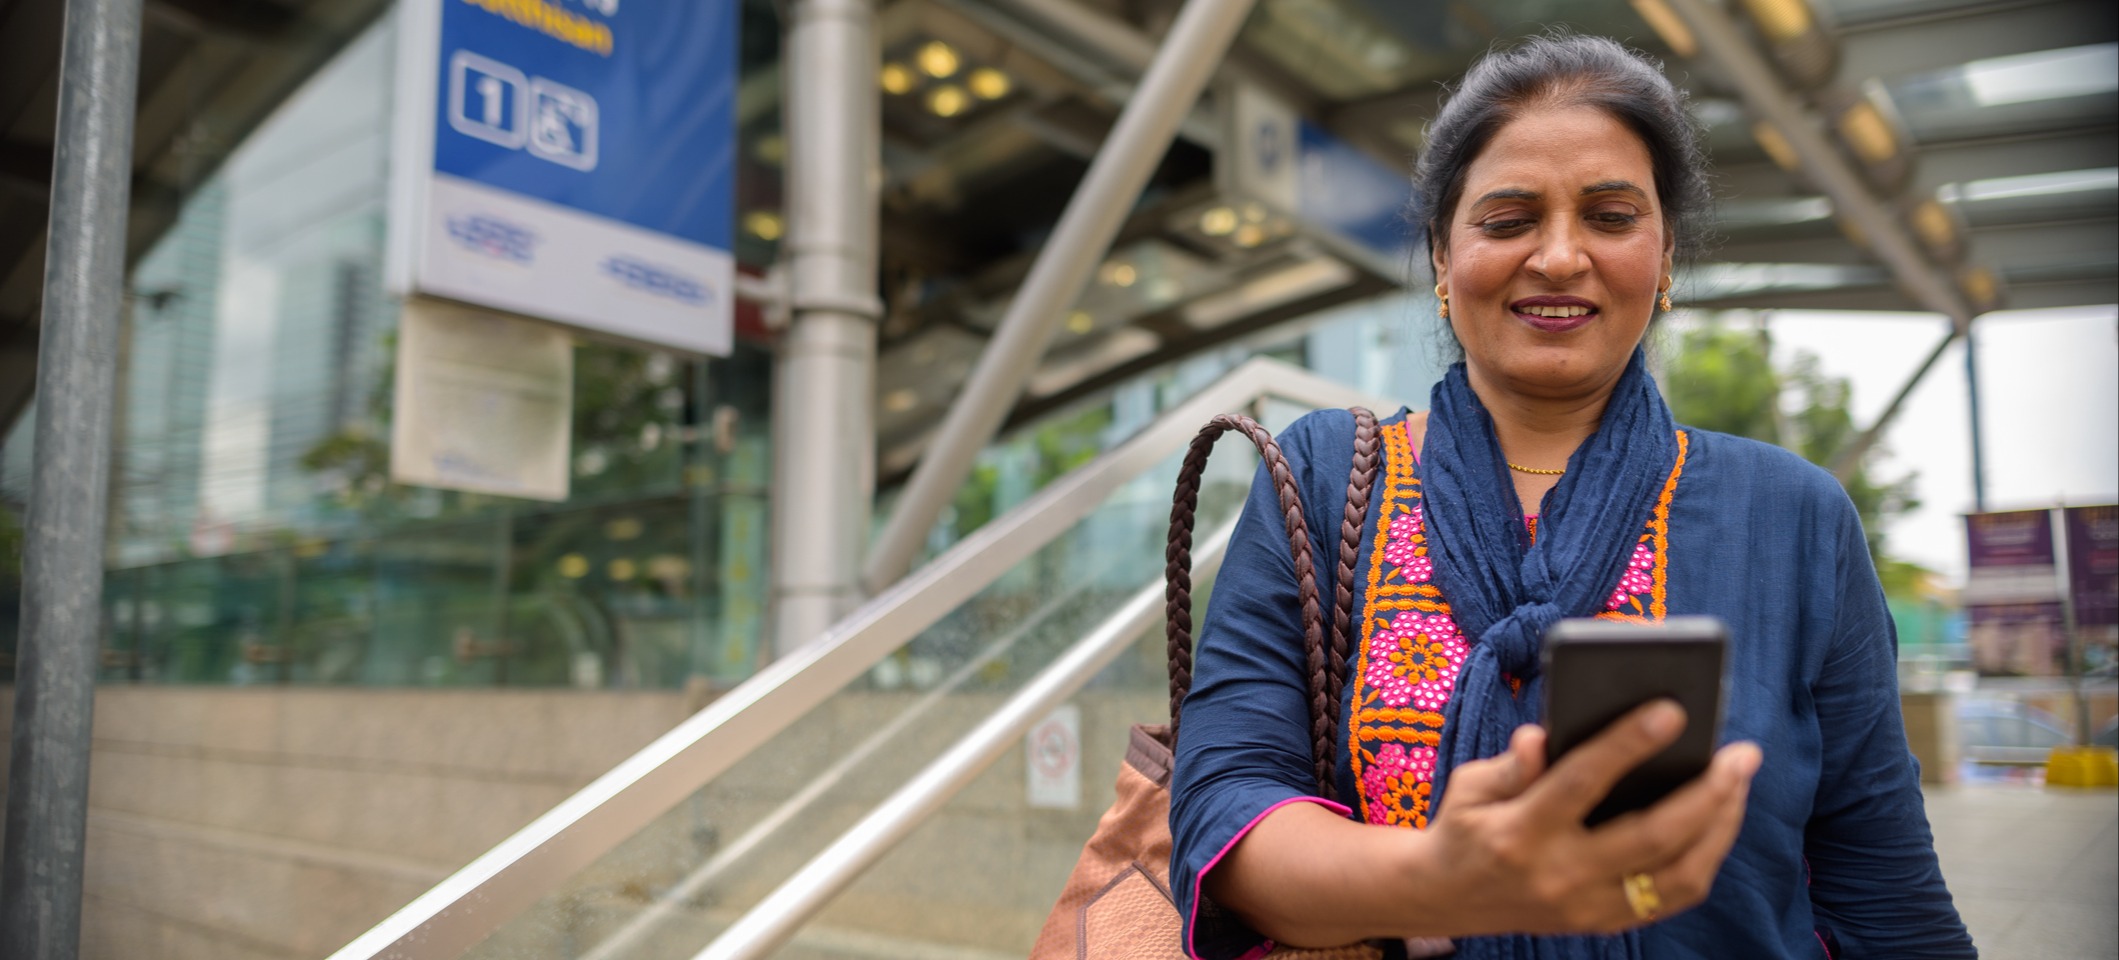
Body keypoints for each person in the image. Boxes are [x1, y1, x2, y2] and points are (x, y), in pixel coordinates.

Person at [1167, 34, 1975, 960]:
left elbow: (1882, 888)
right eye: (1507, 219)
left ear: (1665, 255)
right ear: (1440, 257)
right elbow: (1225, 811)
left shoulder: (1790, 515)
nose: (1557, 257)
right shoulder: (1320, 478)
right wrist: (1440, 882)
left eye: (1609, 216)